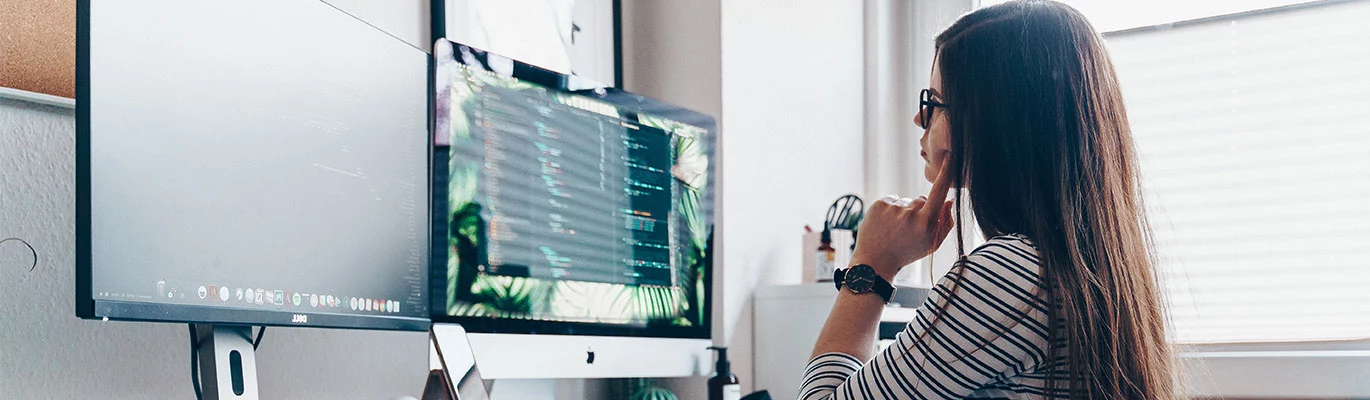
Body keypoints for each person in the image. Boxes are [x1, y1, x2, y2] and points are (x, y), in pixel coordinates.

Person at [799, 1, 1178, 399]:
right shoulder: (1080, 263)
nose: (918, 118)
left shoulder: (1013, 276)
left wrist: (871, 266)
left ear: (993, 121)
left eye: (934, 102)